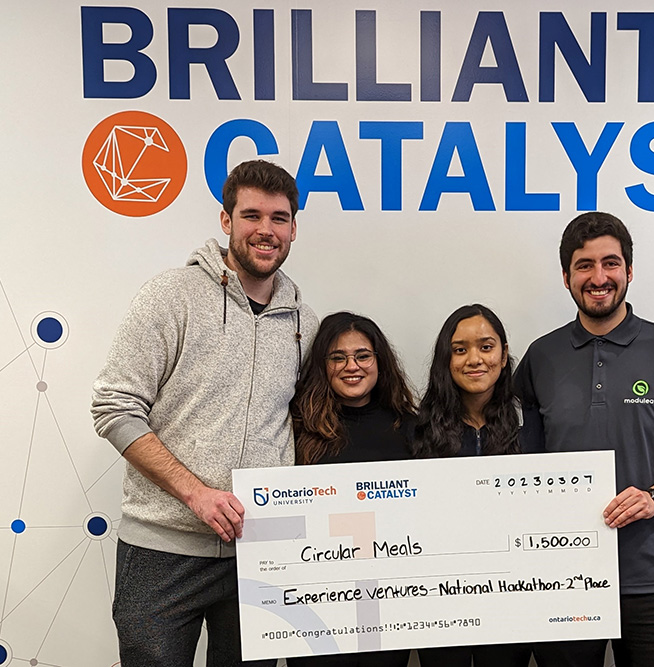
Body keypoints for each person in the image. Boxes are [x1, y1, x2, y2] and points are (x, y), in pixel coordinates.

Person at [91, 160, 319, 667]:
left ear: (294, 228)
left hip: (257, 555)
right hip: (161, 553)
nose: (266, 230)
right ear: (225, 220)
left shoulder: (305, 321)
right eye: (251, 215)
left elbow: (306, 425)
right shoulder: (171, 296)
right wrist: (197, 494)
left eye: (279, 218)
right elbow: (114, 406)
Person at [514, 212, 654, 667]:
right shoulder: (540, 357)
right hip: (562, 580)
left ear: (629, 271)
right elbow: (525, 462)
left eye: (611, 263)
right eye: (584, 265)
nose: (598, 277)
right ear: (566, 277)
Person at [286, 311, 417, 667]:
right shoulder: (295, 429)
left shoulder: (411, 429)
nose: (351, 366)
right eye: (337, 357)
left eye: (362, 355)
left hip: (390, 608)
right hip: (315, 608)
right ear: (322, 365)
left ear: (379, 361)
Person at [412, 304, 531, 667]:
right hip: (440, 605)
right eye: (460, 349)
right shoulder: (416, 429)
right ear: (445, 359)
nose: (474, 359)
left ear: (504, 353)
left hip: (515, 602)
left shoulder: (532, 426)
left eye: (486, 346)